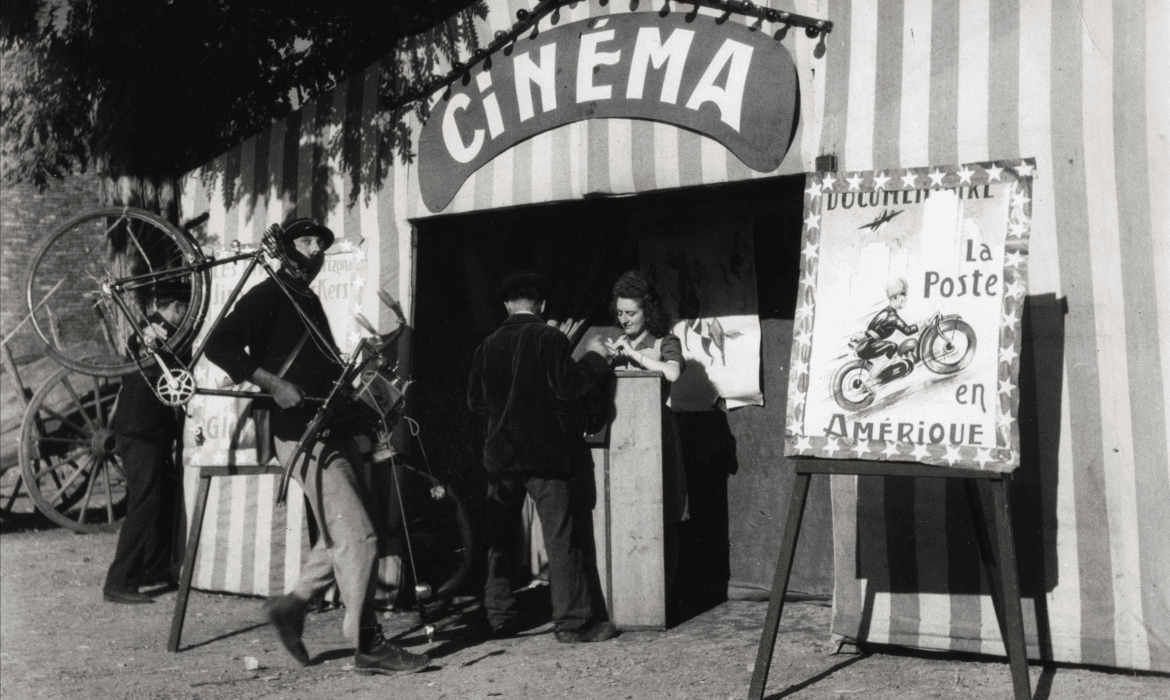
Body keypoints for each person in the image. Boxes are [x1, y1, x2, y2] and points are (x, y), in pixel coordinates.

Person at [204, 218, 427, 674]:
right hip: (301, 433)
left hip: (330, 427)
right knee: (360, 537)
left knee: (344, 530)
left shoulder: (306, 298)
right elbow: (217, 345)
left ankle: (294, 605)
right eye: (305, 241)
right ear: (286, 249)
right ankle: (368, 645)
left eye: (320, 244)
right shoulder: (270, 294)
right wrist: (272, 383)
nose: (315, 250)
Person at [467, 270, 618, 643]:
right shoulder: (550, 338)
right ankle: (573, 623)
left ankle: (500, 618)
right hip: (545, 457)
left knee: (501, 541)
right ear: (543, 305)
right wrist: (597, 360)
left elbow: (475, 402)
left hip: (501, 459)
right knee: (561, 538)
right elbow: (571, 388)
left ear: (506, 305)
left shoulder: (486, 345)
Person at [604, 270, 689, 596]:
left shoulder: (664, 341)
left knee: (661, 514)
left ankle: (661, 594)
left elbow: (672, 372)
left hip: (656, 437)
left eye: (631, 313)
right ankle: (632, 594)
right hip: (621, 439)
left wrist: (634, 355)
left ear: (648, 311)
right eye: (620, 312)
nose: (624, 319)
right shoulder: (616, 341)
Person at [103, 285, 189, 604]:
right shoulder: (151, 330)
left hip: (153, 430)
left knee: (161, 497)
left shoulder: (160, 330)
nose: (186, 317)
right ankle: (119, 581)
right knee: (144, 502)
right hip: (140, 432)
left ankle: (153, 569)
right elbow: (143, 348)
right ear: (175, 307)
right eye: (184, 310)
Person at [854, 277, 918, 391]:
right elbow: (908, 330)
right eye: (904, 294)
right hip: (866, 348)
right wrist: (924, 323)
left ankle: (877, 376)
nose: (906, 298)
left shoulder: (887, 312)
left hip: (867, 346)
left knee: (893, 351)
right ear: (896, 297)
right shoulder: (891, 316)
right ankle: (870, 380)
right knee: (892, 347)